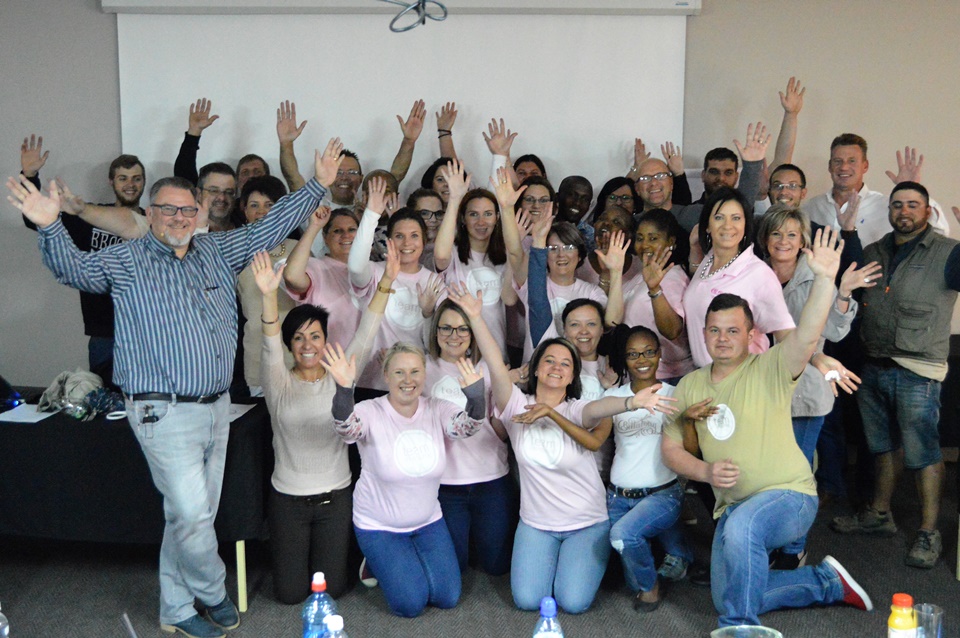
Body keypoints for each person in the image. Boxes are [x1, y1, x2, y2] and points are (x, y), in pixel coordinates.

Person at [6, 136, 345, 638]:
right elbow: (71, 269)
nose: (179, 218)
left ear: (199, 213)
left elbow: (270, 226)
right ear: (150, 213)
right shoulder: (126, 260)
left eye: (187, 210)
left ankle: (175, 608)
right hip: (160, 411)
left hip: (217, 408)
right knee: (191, 512)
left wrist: (317, 184)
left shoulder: (218, 250)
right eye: (168, 209)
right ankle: (212, 590)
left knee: (189, 517)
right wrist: (49, 224)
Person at [661, 228, 874, 628]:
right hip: (733, 509)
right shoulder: (690, 385)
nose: (722, 339)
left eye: (733, 330)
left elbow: (806, 336)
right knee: (729, 593)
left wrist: (825, 280)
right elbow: (670, 449)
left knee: (741, 556)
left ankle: (738, 629)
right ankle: (825, 583)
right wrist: (705, 471)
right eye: (714, 330)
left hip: (789, 497)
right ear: (703, 333)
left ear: (752, 335)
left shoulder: (771, 366)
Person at [447, 284, 677, 615]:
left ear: (572, 376)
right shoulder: (515, 405)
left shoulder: (575, 408)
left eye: (565, 364)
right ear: (536, 368)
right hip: (536, 524)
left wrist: (630, 401)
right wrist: (475, 317)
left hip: (586, 523)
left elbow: (598, 409)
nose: (556, 367)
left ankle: (572, 564)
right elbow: (496, 365)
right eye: (549, 361)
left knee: (573, 602)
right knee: (528, 600)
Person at [253, 241, 395, 603]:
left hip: (335, 497)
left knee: (333, 590)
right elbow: (269, 342)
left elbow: (367, 330)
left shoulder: (341, 373)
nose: (307, 344)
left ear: (325, 340)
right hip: (288, 500)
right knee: (289, 594)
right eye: (298, 338)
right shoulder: (278, 381)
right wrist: (268, 296)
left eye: (315, 336)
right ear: (290, 345)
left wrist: (388, 281)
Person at [831, 181, 960, 569]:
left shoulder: (948, 251)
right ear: (889, 210)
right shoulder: (876, 250)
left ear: (927, 211)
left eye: (913, 205)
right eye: (897, 204)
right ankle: (879, 515)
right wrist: (847, 233)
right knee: (882, 447)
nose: (904, 211)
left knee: (924, 453)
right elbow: (854, 290)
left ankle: (928, 531)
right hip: (874, 364)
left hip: (919, 369)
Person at [326, 340, 486, 618]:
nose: (408, 380)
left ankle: (395, 560)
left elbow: (468, 427)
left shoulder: (437, 408)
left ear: (424, 374)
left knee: (447, 597)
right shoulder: (370, 410)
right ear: (386, 376)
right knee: (410, 604)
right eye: (399, 372)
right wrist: (343, 390)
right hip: (379, 526)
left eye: (415, 372)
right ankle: (374, 560)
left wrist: (476, 398)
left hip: (428, 522)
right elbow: (346, 429)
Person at [18, 135, 146, 385]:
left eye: (136, 178)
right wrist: (29, 175)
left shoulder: (154, 223)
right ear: (111, 181)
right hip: (104, 333)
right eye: (123, 178)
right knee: (102, 400)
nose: (130, 184)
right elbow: (35, 218)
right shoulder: (88, 216)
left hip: (146, 331)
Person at [604, 326, 694, 612]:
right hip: (618, 496)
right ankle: (678, 554)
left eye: (648, 352)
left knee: (624, 536)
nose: (642, 360)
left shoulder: (676, 394)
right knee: (631, 579)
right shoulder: (614, 397)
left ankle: (652, 589)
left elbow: (692, 450)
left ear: (659, 354)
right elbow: (596, 440)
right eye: (633, 354)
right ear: (624, 358)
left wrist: (688, 420)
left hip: (662, 493)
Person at [426, 299, 517, 576]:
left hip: (490, 477)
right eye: (446, 328)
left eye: (463, 329)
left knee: (497, 566)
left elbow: (502, 428)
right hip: (445, 483)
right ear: (436, 331)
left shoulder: (488, 369)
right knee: (456, 566)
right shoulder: (422, 368)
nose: (454, 336)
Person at [347, 178, 443, 395]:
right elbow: (355, 266)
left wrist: (428, 313)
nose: (407, 243)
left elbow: (436, 346)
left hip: (414, 386)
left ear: (424, 240)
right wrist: (371, 215)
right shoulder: (375, 272)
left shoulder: (435, 282)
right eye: (399, 236)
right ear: (389, 240)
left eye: (414, 236)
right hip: (370, 383)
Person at [682, 187, 795, 368]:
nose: (728, 225)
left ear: (745, 225)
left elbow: (785, 333)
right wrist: (694, 251)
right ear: (707, 225)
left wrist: (815, 357)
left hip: (742, 379)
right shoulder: (709, 260)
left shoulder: (758, 274)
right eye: (719, 217)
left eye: (736, 218)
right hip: (704, 377)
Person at [801, 135, 949, 245]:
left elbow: (939, 233)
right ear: (830, 166)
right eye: (837, 161)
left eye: (852, 161)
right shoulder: (812, 207)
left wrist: (912, 190)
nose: (844, 167)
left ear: (865, 166)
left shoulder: (887, 205)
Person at [433, 159, 515, 354]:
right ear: (463, 218)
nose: (481, 222)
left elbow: (510, 299)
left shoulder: (505, 256)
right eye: (473, 214)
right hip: (458, 353)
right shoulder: (452, 253)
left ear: (497, 218)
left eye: (488, 214)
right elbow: (440, 257)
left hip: (496, 354)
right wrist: (455, 199)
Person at [633, 122, 768, 233]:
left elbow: (738, 212)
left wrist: (752, 166)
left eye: (660, 176)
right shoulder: (629, 224)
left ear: (671, 182)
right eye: (645, 178)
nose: (654, 183)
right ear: (637, 188)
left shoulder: (693, 215)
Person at [233, 176, 297, 396]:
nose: (261, 211)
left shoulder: (298, 248)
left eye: (269, 204)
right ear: (244, 210)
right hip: (258, 352)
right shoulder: (233, 251)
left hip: (299, 352)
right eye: (254, 205)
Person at [626, 209, 694, 384]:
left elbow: (672, 330)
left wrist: (655, 289)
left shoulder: (673, 277)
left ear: (670, 242)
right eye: (640, 238)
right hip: (643, 374)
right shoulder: (641, 274)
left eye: (653, 238)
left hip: (668, 377)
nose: (645, 245)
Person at [283, 206, 362, 351]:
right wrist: (314, 226)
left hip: (372, 362)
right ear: (325, 237)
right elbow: (291, 276)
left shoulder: (372, 270)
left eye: (352, 230)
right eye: (337, 231)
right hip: (328, 361)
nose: (346, 235)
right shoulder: (316, 268)